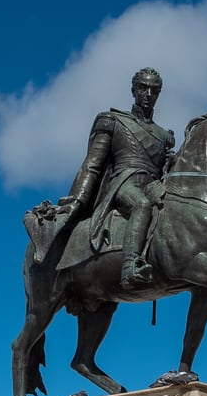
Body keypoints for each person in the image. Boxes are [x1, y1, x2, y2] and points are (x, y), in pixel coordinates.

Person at [34, 67, 175, 287]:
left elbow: (164, 171)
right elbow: (92, 165)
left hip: (154, 184)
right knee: (142, 205)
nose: (148, 94)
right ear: (133, 89)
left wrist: (170, 163)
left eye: (154, 90)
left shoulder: (163, 135)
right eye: (143, 88)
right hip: (124, 183)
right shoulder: (113, 120)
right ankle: (130, 266)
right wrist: (76, 201)